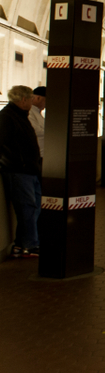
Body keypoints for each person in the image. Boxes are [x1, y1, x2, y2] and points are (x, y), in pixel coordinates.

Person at [0, 86, 42, 258]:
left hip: (30, 170)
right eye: (31, 98)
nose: (33, 101)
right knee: (26, 208)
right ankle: (28, 245)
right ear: (23, 100)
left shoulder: (20, 116)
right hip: (19, 171)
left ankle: (29, 241)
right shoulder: (7, 117)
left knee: (34, 207)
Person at [29, 86, 45, 159]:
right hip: (36, 155)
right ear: (39, 98)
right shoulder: (30, 112)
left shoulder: (37, 112)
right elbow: (34, 130)